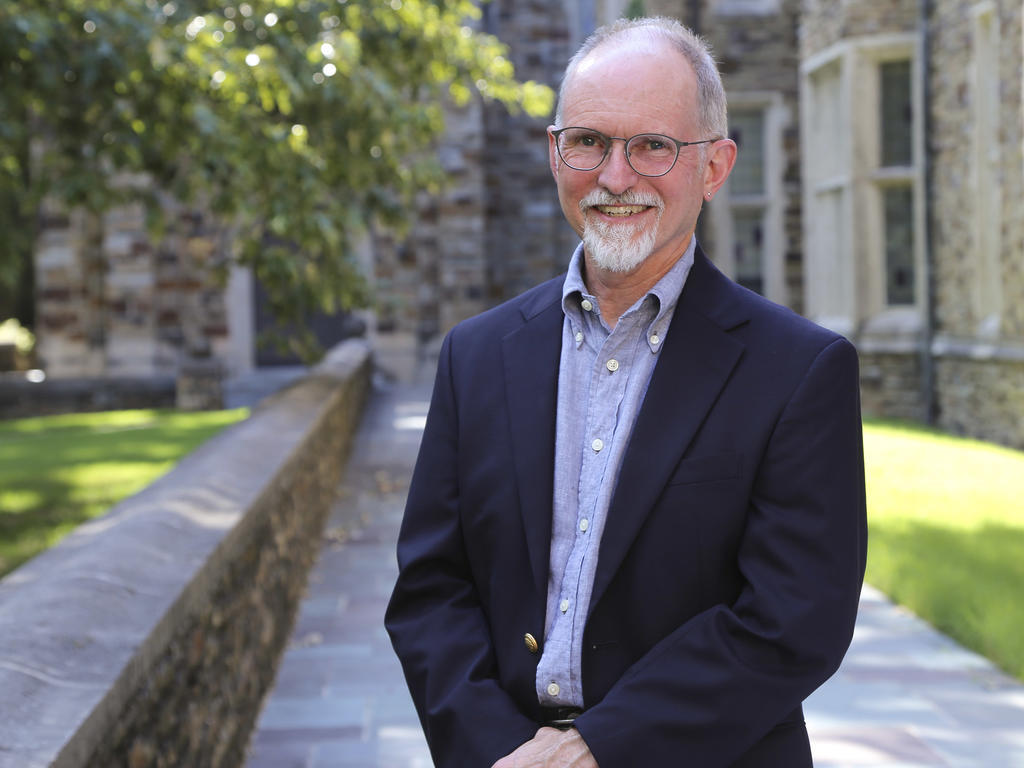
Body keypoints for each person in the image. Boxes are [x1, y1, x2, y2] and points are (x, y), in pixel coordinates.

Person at [385, 16, 866, 768]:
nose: (615, 177)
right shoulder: (474, 356)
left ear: (714, 166)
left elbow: (794, 620)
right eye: (588, 142)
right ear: (555, 154)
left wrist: (597, 750)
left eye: (653, 146)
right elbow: (430, 590)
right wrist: (500, 752)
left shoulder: (799, 371)